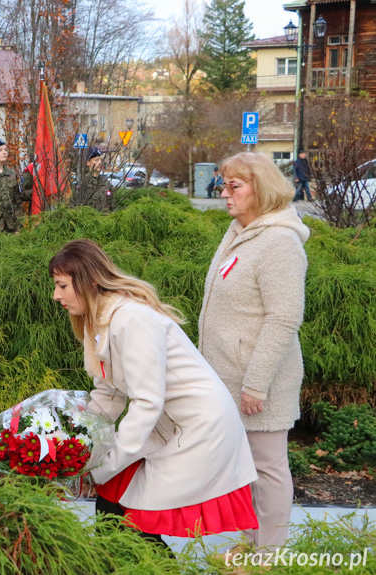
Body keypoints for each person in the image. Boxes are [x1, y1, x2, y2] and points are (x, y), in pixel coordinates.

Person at [50, 239, 258, 545]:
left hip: (199, 427)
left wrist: (105, 462)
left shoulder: (132, 319)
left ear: (90, 280)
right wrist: (73, 443)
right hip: (169, 424)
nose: (56, 296)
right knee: (111, 507)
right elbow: (108, 394)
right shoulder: (101, 321)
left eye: (62, 285)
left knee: (132, 522)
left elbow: (147, 402)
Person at [199, 152, 310, 553]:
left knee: (268, 468)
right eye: (223, 185)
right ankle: (252, 543)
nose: (224, 193)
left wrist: (256, 385)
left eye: (234, 186)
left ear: (259, 190)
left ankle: (271, 555)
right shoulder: (240, 232)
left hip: (259, 381)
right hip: (229, 376)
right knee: (246, 469)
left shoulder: (279, 242)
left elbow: (283, 319)